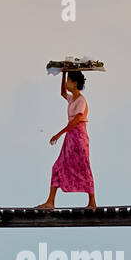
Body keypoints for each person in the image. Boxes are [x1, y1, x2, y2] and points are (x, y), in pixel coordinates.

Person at [36, 69, 95, 209]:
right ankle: (50, 202)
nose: (67, 83)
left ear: (75, 84)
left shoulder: (81, 100)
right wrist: (63, 73)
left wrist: (59, 134)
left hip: (79, 138)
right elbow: (63, 93)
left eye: (69, 80)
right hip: (70, 138)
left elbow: (76, 121)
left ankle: (92, 202)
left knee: (84, 167)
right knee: (57, 166)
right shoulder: (72, 98)